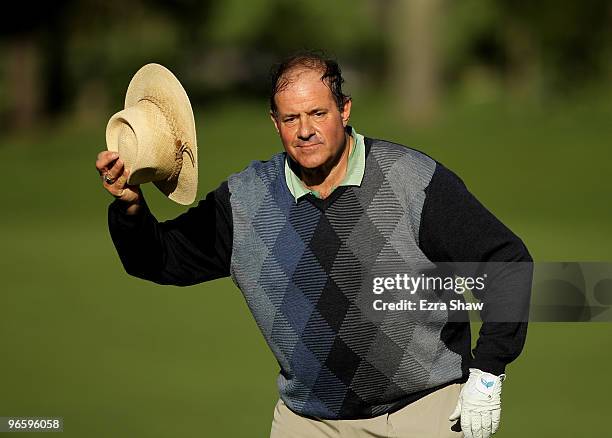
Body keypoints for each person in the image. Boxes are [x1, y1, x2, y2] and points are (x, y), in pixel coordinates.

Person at [96, 53, 532, 438]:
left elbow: (506, 260)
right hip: (309, 422)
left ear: (344, 110)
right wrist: (131, 208)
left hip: (424, 413)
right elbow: (159, 260)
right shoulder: (245, 201)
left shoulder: (410, 178)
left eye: (317, 113)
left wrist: (489, 370)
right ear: (274, 122)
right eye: (290, 118)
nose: (305, 131)